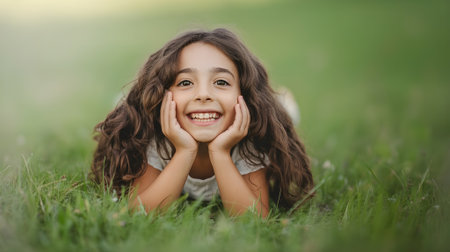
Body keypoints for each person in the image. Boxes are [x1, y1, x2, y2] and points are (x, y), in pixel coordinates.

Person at [91, 28, 313, 217]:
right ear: (162, 95)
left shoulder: (251, 136)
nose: (203, 94)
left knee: (281, 112)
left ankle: (283, 102)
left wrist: (221, 152)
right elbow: (139, 212)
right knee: (128, 104)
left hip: (260, 114)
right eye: (186, 82)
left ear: (243, 95)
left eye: (221, 82)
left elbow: (255, 219)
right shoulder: (156, 135)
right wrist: (184, 150)